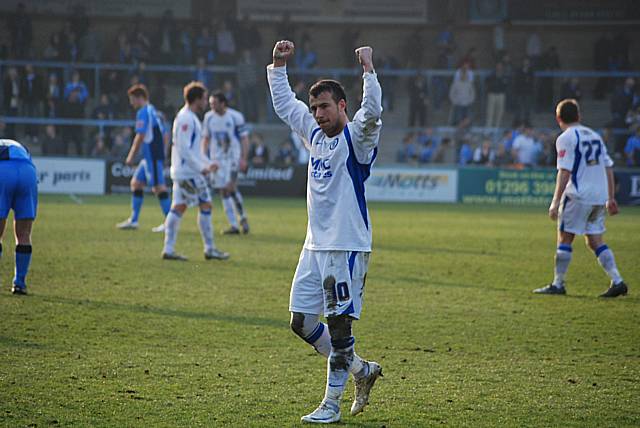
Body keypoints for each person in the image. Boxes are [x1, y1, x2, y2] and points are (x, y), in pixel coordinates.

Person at [267, 40, 383, 424]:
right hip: (314, 246)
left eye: (325, 107)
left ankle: (330, 404)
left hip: (346, 246)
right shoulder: (314, 136)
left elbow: (373, 113)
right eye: (315, 108)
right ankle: (361, 370)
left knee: (338, 326)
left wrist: (368, 70)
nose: (318, 114)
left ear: (342, 107)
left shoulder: (357, 140)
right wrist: (278, 66)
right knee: (301, 321)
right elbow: (286, 107)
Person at [534, 99, 627, 297]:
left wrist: (555, 201)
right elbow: (608, 167)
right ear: (579, 116)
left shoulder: (566, 137)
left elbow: (564, 171)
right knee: (595, 240)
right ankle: (618, 281)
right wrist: (610, 197)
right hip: (598, 197)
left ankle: (558, 284)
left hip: (578, 195)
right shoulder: (595, 135)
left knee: (565, 238)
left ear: (558, 118)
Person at [162, 82, 229, 261]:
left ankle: (168, 249)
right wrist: (202, 168)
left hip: (184, 171)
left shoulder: (189, 117)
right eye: (205, 98)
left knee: (179, 207)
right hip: (188, 173)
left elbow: (194, 151)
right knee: (206, 204)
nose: (206, 102)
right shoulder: (185, 119)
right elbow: (184, 149)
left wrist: (207, 163)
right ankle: (209, 249)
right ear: (197, 99)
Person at [116, 84, 171, 232]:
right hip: (150, 156)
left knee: (159, 187)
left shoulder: (143, 112)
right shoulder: (154, 111)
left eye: (132, 99)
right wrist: (164, 152)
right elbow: (165, 135)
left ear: (140, 98)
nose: (131, 103)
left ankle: (170, 222)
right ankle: (133, 220)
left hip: (151, 155)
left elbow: (139, 136)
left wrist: (131, 155)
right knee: (136, 183)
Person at [202, 91, 251, 234]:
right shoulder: (208, 118)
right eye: (210, 103)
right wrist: (204, 158)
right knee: (223, 191)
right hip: (216, 160)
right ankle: (234, 225)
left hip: (232, 159)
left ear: (223, 103)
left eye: (214, 103)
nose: (211, 106)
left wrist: (244, 158)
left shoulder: (235, 117)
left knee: (231, 187)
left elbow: (244, 139)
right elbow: (205, 139)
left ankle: (242, 217)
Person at [0, 139, 37, 295]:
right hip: (28, 171)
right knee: (24, 235)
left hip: (3, 171)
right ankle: (19, 283)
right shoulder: (17, 145)